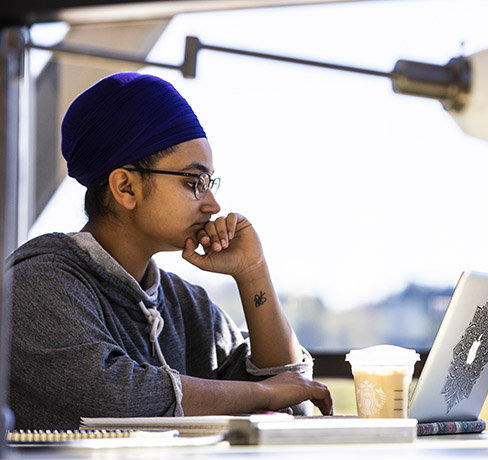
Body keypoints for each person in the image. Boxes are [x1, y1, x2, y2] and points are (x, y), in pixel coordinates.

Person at [7, 72, 333, 430]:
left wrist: (253, 272)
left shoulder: (185, 304)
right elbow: (118, 399)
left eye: (210, 183)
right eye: (195, 183)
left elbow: (296, 401)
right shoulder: (36, 284)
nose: (212, 204)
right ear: (126, 187)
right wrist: (266, 394)